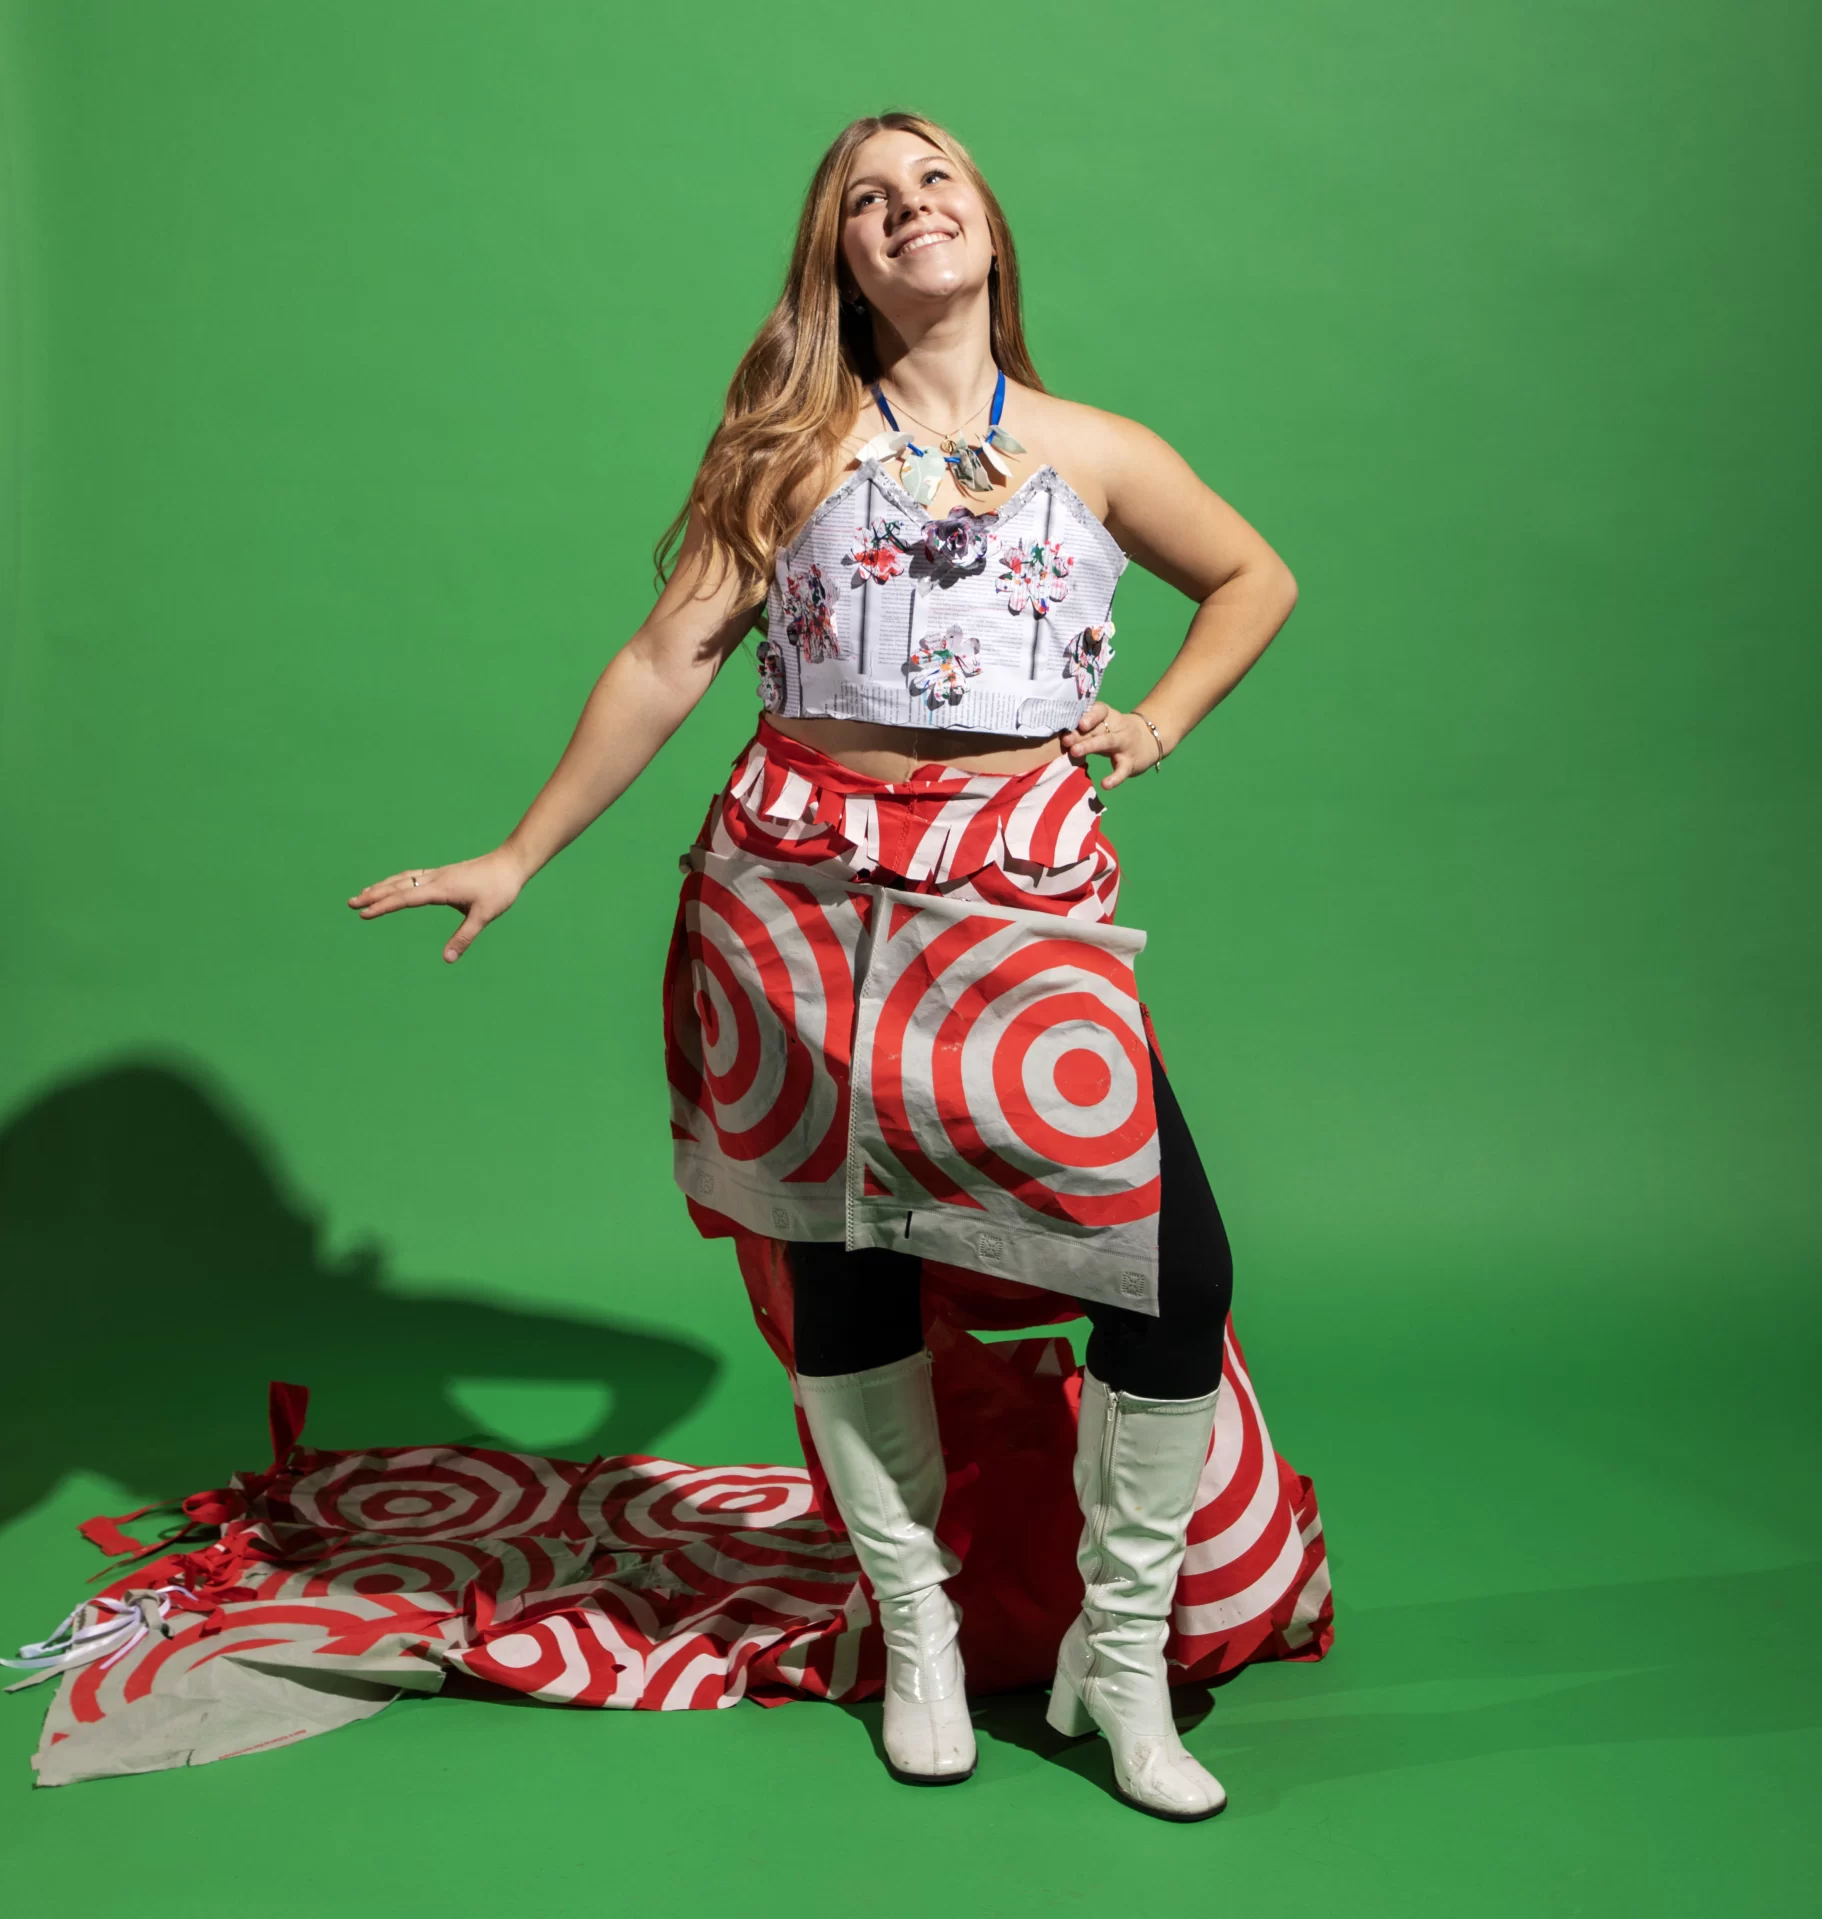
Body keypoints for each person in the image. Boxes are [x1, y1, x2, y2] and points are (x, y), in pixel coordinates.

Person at [348, 110, 1299, 1822]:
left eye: (933, 178)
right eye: (866, 198)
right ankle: (916, 1623)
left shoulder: (1094, 446)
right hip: (796, 896)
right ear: (838, 260)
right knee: (845, 1261)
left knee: (1167, 1272)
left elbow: (1251, 574)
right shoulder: (786, 446)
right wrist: (517, 849)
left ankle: (1125, 1648)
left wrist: (1157, 714)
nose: (905, 207)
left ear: (990, 229)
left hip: (1014, 895)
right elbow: (664, 659)